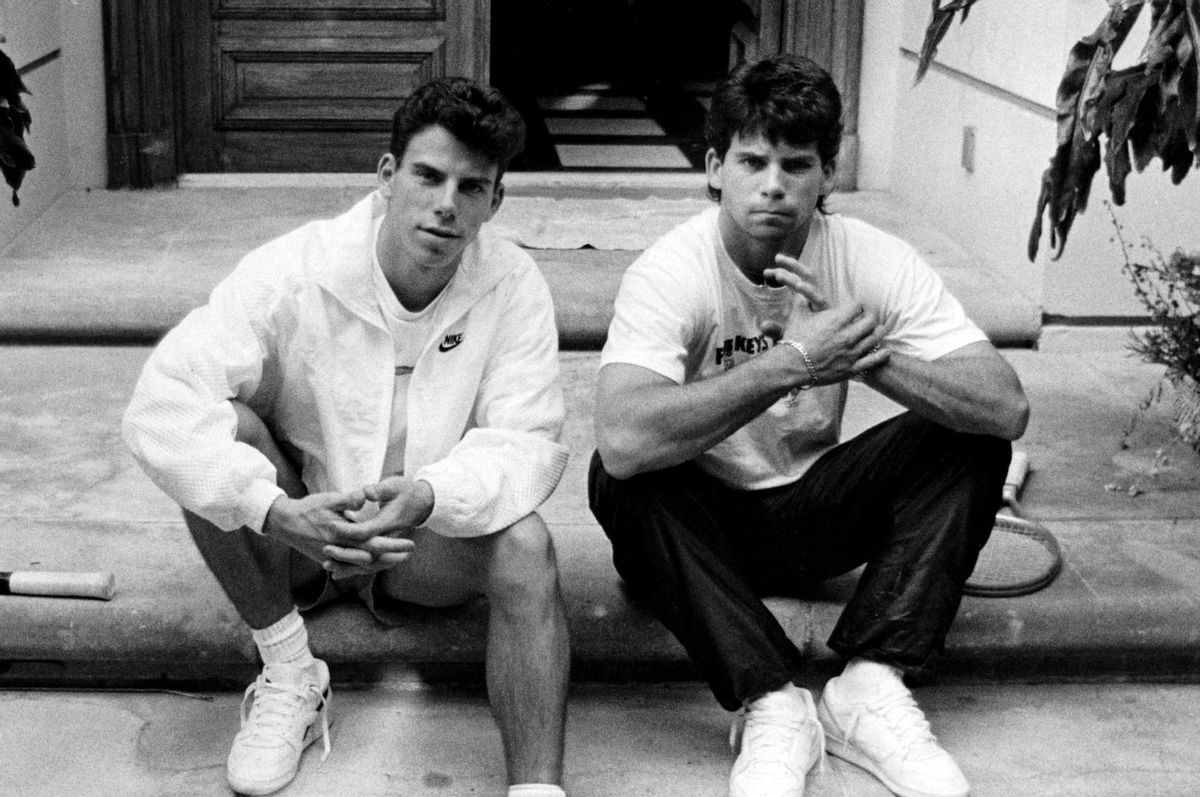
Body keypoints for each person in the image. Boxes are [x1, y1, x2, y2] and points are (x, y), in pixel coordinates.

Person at [588, 54, 1029, 797]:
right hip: (698, 527)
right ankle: (773, 702)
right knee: (620, 478)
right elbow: (623, 436)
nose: (773, 185)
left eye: (797, 164)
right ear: (713, 167)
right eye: (752, 161)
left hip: (814, 512)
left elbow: (1005, 405)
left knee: (972, 438)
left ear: (828, 172)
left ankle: (870, 684)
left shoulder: (871, 259)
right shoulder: (672, 271)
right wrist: (793, 360)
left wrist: (865, 358)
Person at [123, 77, 571, 797]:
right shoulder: (294, 267)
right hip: (302, 534)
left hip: (420, 541)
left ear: (496, 201)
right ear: (388, 176)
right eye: (428, 175)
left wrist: (429, 494)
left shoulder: (514, 283)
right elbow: (161, 403)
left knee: (527, 542)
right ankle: (290, 668)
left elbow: (529, 441)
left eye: (472, 186)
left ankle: (536, 788)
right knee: (222, 435)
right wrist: (275, 511)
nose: (446, 204)